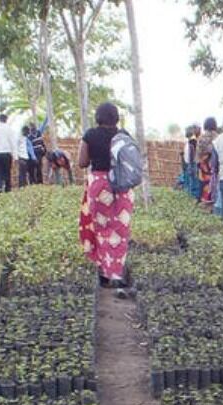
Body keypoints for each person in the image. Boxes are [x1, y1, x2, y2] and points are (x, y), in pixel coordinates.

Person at [77, 102, 136, 297]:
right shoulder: (124, 136)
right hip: (122, 186)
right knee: (120, 230)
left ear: (98, 117)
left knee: (102, 229)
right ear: (116, 118)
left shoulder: (90, 135)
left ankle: (105, 273)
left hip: (100, 185)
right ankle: (117, 273)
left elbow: (82, 162)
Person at [197, 117, 220, 208]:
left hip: (203, 164)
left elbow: (198, 152)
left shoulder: (201, 137)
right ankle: (213, 201)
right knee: (214, 182)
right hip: (214, 164)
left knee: (204, 183)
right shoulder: (217, 137)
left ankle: (204, 201)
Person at [27, 117, 50, 185]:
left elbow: (44, 124)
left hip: (39, 153)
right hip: (33, 154)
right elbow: (30, 148)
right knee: (33, 169)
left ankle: (40, 182)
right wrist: (33, 157)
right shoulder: (29, 137)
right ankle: (33, 182)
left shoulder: (39, 132)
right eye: (31, 129)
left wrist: (47, 117)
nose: (33, 130)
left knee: (39, 168)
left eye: (33, 128)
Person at [182, 124, 203, 199]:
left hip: (192, 163)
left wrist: (191, 164)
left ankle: (194, 197)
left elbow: (192, 154)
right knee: (193, 181)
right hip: (191, 163)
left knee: (194, 181)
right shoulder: (191, 141)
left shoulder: (192, 141)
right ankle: (193, 196)